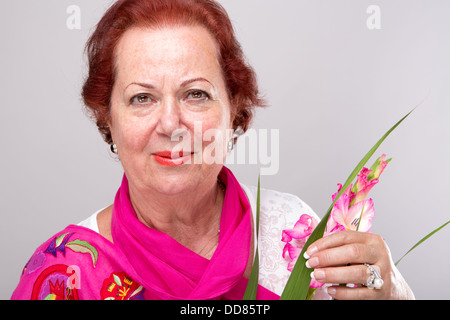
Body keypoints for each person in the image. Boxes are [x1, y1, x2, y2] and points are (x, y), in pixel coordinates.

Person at [11, 0, 414, 300]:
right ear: (108, 119)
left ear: (234, 110)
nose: (170, 124)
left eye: (196, 94)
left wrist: (391, 291)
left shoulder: (294, 235)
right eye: (141, 99)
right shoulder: (63, 273)